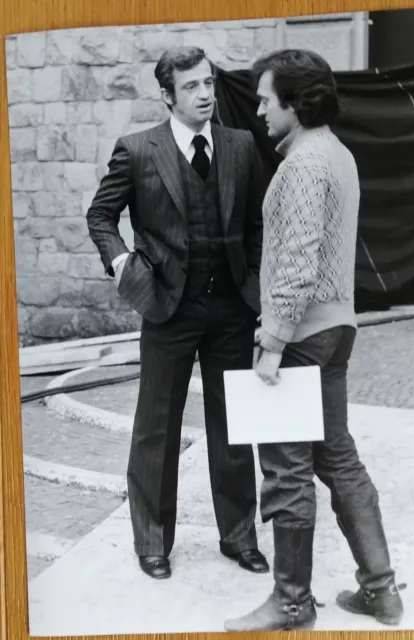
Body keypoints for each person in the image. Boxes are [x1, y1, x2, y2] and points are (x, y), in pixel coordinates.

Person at [224, 48, 404, 632]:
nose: (259, 108)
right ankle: (381, 591)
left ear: (295, 104)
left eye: (266, 98)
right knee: (337, 456)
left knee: (286, 470)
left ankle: (292, 603)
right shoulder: (338, 154)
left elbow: (298, 261)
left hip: (301, 334)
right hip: (336, 328)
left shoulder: (303, 164)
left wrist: (271, 342)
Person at [86, 46, 269, 581]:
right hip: (167, 307)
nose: (206, 94)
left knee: (233, 424)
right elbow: (101, 214)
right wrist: (122, 262)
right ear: (167, 95)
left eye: (208, 83)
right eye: (191, 87)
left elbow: (256, 225)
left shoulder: (239, 146)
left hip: (231, 307)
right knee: (155, 429)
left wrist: (254, 286)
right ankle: (153, 542)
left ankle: (238, 537)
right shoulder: (139, 150)